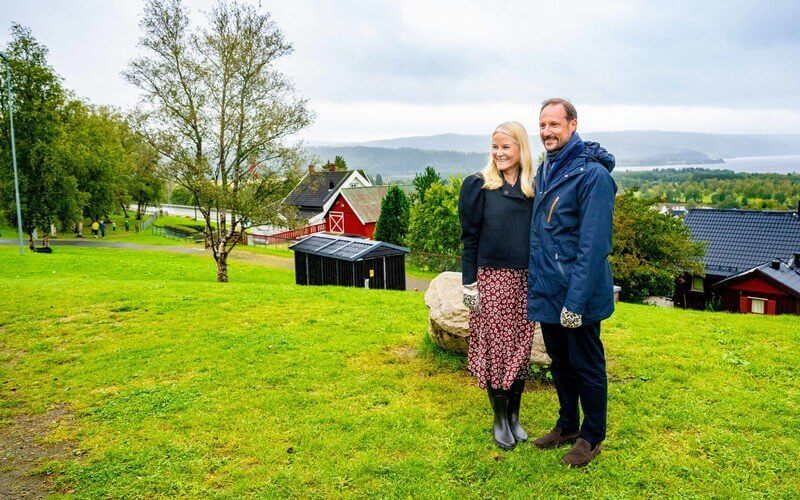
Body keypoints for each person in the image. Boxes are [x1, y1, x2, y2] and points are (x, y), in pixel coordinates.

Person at [527, 98, 616, 467]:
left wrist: (575, 304)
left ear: (573, 125)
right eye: (542, 125)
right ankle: (567, 425)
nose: (547, 131)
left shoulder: (592, 176)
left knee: (587, 365)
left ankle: (592, 436)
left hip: (577, 295)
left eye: (555, 125)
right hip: (549, 290)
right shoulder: (546, 170)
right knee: (560, 363)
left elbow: (593, 247)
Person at [459, 121, 536, 451]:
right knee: (496, 350)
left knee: (520, 347)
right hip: (491, 279)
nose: (500, 153)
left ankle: (515, 416)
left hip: (527, 280)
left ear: (521, 148)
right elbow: (469, 237)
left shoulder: (534, 186)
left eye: (506, 146)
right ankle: (500, 419)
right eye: (495, 147)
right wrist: (469, 283)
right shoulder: (478, 185)